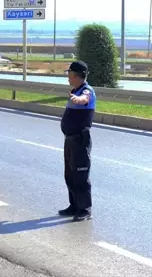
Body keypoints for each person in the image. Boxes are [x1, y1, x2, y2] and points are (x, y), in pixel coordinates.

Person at [58, 60, 96, 221]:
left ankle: (85, 209)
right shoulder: (76, 90)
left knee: (80, 175)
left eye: (69, 74)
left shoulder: (86, 91)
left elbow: (84, 99)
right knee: (70, 175)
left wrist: (78, 99)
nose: (68, 77)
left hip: (80, 140)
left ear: (76, 75)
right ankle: (74, 205)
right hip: (70, 140)